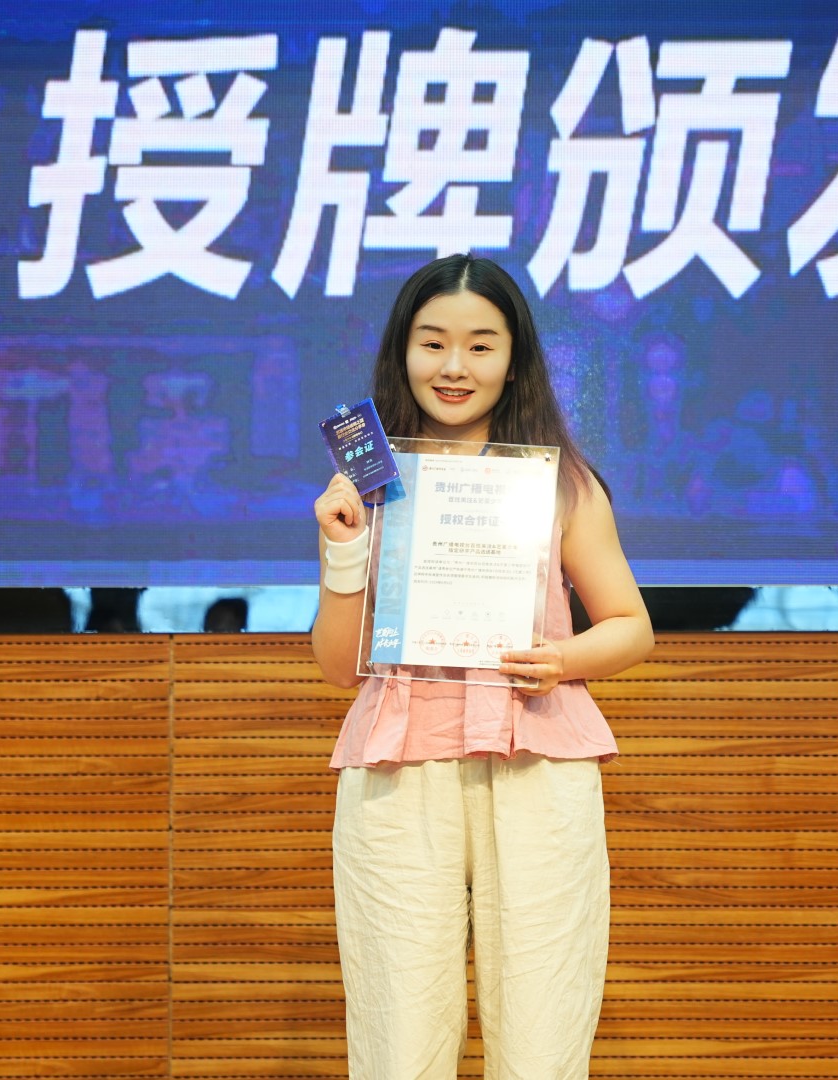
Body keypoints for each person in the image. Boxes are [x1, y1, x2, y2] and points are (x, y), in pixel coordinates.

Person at [310, 254, 654, 1078]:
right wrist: (343, 547)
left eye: (480, 345)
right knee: (398, 1032)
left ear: (514, 357)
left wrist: (560, 658)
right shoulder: (365, 481)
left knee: (542, 1024)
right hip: (398, 766)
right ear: (402, 352)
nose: (453, 366)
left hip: (536, 758)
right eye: (432, 343)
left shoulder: (560, 483)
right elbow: (337, 666)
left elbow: (630, 626)